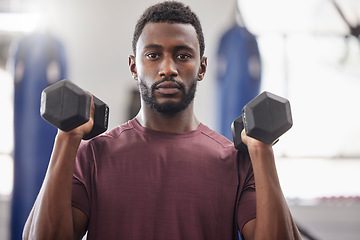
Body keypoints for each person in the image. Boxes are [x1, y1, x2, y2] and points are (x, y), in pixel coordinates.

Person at [23, 1, 301, 239]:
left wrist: (262, 150)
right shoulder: (92, 155)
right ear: (135, 67)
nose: (168, 68)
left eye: (182, 55)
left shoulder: (236, 161)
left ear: (202, 67)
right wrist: (67, 138)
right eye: (153, 55)